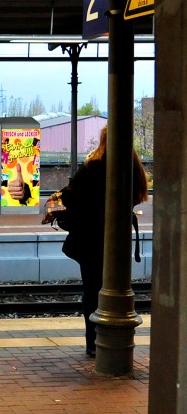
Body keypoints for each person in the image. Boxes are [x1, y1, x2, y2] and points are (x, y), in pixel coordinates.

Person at [59, 126, 148, 358]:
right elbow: (140, 194)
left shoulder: (94, 165)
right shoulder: (133, 165)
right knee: (115, 287)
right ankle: (110, 338)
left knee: (92, 290)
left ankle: (94, 342)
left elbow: (70, 195)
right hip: (117, 239)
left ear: (103, 140)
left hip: (89, 238)